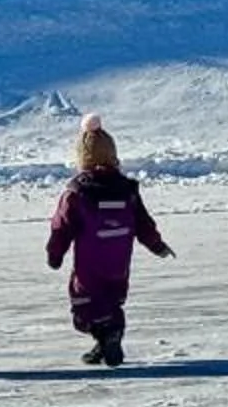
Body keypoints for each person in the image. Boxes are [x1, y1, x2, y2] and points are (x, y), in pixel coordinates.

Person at [43, 117, 172, 368]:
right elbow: (143, 222)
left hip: (89, 263)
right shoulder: (126, 189)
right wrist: (156, 245)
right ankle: (107, 341)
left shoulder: (78, 191)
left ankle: (108, 335)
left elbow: (62, 225)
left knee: (84, 306)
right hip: (119, 261)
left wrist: (54, 254)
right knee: (111, 300)